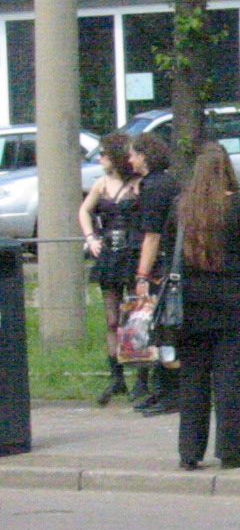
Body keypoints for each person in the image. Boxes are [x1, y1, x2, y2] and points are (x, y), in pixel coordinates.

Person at [168, 142, 240, 470]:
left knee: (192, 380)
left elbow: (170, 253)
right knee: (228, 380)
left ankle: (189, 453)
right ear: (227, 169)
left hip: (189, 306)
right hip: (232, 304)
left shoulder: (182, 207)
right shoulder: (238, 207)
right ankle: (229, 451)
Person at [78, 131, 142, 406]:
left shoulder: (137, 184)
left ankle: (142, 376)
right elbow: (84, 210)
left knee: (137, 315)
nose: (100, 159)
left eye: (104, 154)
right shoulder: (101, 183)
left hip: (132, 253)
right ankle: (117, 376)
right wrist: (91, 238)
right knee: (112, 318)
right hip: (110, 254)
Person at [130, 131, 182, 416]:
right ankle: (164, 389)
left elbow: (152, 235)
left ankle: (170, 392)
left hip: (161, 268)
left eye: (133, 154)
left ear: (144, 156)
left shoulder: (153, 187)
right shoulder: (169, 183)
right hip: (172, 264)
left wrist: (142, 275)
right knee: (164, 331)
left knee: (162, 330)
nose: (130, 160)